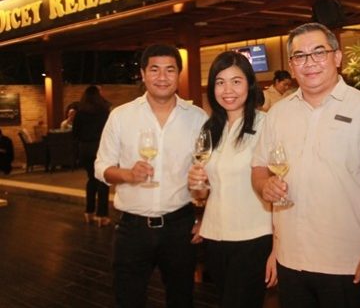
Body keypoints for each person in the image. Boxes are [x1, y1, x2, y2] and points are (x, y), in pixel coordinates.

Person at [252, 22, 360, 308]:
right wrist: (264, 184)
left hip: (348, 263)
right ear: (291, 66)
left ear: (337, 57)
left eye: (319, 52)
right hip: (291, 260)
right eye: (300, 56)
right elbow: (259, 168)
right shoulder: (278, 114)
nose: (309, 62)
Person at [94, 44, 208, 308]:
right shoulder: (121, 116)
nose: (162, 77)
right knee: (128, 299)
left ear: (179, 74)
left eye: (170, 70)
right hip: (132, 229)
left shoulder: (197, 118)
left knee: (182, 299)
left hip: (179, 227)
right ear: (143, 74)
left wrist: (205, 215)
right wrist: (127, 174)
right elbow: (101, 167)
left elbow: (208, 171)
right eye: (154, 69)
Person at [188, 51, 276, 308]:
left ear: (250, 84)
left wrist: (278, 248)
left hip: (254, 237)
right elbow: (203, 193)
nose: (228, 90)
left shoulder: (267, 125)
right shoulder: (210, 128)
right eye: (220, 82)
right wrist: (197, 184)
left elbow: (279, 186)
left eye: (236, 81)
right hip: (214, 237)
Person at [72, 86, 111, 226]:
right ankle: (102, 215)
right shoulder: (104, 111)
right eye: (101, 91)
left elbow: (75, 133)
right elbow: (109, 132)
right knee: (103, 180)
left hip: (85, 149)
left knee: (91, 179)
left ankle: (89, 212)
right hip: (100, 148)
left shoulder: (80, 112)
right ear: (97, 94)